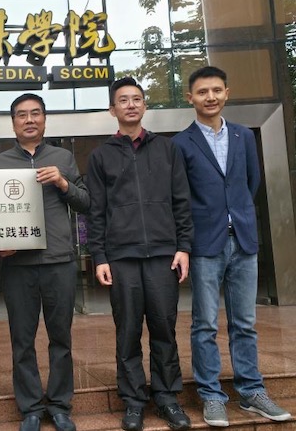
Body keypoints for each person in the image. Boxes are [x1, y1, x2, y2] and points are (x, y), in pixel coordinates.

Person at [173, 66, 292, 427]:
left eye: (216, 90)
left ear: (227, 93)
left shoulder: (243, 137)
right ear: (190, 98)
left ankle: (252, 391)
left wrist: (236, 216)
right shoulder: (180, 143)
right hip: (205, 244)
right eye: (202, 92)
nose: (210, 97)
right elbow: (180, 196)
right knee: (205, 324)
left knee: (245, 322)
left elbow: (250, 183)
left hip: (243, 240)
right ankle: (211, 395)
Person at [86, 77, 193, 431]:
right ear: (112, 109)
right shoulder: (100, 156)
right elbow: (96, 213)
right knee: (128, 331)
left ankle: (167, 397)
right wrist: (99, 257)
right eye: (123, 100)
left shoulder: (167, 149)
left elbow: (181, 202)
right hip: (121, 258)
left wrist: (183, 247)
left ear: (144, 105)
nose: (130, 105)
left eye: (136, 99)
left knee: (164, 328)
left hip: (163, 255)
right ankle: (133, 401)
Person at [0, 93, 90, 431]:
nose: (29, 120)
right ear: (13, 123)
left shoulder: (63, 157)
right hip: (18, 266)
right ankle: (30, 407)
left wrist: (63, 182)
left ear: (45, 119)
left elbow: (85, 202)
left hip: (59, 260)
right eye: (22, 115)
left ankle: (60, 405)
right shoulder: (1, 162)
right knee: (22, 339)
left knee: (60, 337)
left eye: (36, 113)